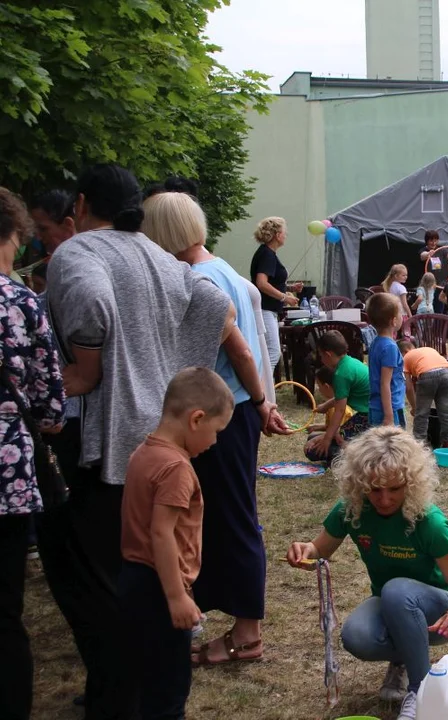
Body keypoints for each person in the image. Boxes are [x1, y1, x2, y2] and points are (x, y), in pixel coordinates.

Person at [45, 164, 242, 718]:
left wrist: (85, 370)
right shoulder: (159, 255)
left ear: (82, 205)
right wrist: (176, 372)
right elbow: (216, 305)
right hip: (158, 439)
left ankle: (118, 696)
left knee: (96, 576)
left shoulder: (78, 253)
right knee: (151, 570)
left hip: (106, 442)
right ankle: (147, 691)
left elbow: (91, 302)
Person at [142, 192, 290, 666]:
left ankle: (247, 635)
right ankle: (215, 618)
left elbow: (244, 352)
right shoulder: (223, 268)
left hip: (220, 420)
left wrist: (264, 401)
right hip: (236, 412)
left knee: (233, 521)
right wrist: (261, 404)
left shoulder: (199, 280)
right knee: (225, 517)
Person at [287, 427, 448, 720]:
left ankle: (420, 689)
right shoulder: (351, 510)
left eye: (395, 488)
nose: (384, 499)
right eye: (374, 489)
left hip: (441, 611)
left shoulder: (430, 523)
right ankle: (404, 659)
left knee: (397, 590)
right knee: (356, 636)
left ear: (411, 483)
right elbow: (319, 549)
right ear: (359, 484)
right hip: (393, 605)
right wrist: (305, 550)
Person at [119, 368, 233, 719]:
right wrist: (176, 596)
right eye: (216, 432)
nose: (214, 443)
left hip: (133, 580)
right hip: (158, 586)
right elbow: (161, 534)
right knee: (169, 689)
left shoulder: (144, 452)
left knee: (146, 679)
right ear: (196, 418)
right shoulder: (176, 469)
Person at [0, 187, 65, 720]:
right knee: (4, 613)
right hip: (8, 475)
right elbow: (50, 406)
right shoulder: (21, 303)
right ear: (15, 236)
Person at [309, 330, 370, 462]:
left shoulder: (341, 374)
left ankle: (351, 459)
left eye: (320, 355)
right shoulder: (351, 362)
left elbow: (340, 410)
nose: (321, 358)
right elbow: (341, 398)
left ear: (328, 354)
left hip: (369, 418)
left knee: (312, 451)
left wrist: (326, 439)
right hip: (370, 413)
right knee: (315, 438)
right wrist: (325, 405)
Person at [250, 216, 298, 369]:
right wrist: (285, 298)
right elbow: (262, 283)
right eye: (285, 232)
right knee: (272, 353)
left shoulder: (267, 253)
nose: (286, 235)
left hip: (267, 309)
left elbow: (272, 282)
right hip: (265, 310)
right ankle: (262, 390)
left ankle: (262, 389)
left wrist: (290, 288)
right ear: (277, 235)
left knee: (267, 353)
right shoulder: (267, 255)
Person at [398, 340, 448, 448]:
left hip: (427, 375)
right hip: (447, 372)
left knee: (422, 414)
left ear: (405, 351)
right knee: (447, 412)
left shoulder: (406, 358)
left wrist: (415, 407)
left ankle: (419, 445)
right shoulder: (429, 349)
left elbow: (409, 387)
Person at [367, 293, 408, 428]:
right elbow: (385, 383)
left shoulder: (376, 343)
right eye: (400, 314)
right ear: (393, 321)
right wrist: (389, 415)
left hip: (376, 407)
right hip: (389, 409)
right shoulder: (389, 347)